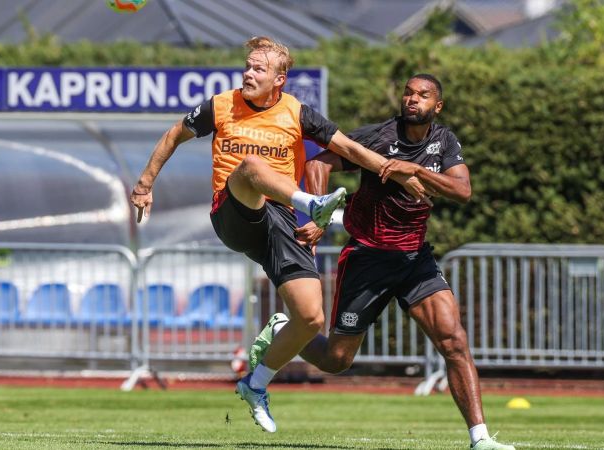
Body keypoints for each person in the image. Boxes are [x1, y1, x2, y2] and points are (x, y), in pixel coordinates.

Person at [129, 36, 424, 433]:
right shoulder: (220, 106)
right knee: (250, 167)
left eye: (259, 69)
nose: (248, 73)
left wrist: (393, 167)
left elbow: (351, 150)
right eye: (247, 66)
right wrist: (145, 184)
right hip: (235, 212)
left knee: (309, 317)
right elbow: (172, 136)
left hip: (282, 222)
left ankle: (256, 384)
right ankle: (312, 204)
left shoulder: (298, 113)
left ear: (280, 79)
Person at [251, 74, 515, 449]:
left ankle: (481, 439)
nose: (412, 99)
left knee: (454, 342)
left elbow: (463, 190)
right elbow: (317, 165)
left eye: (422, 95)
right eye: (408, 92)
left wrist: (416, 171)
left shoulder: (444, 141)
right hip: (368, 259)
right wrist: (318, 218)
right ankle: (282, 330)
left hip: (414, 260)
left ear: (436, 106)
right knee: (337, 360)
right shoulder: (376, 138)